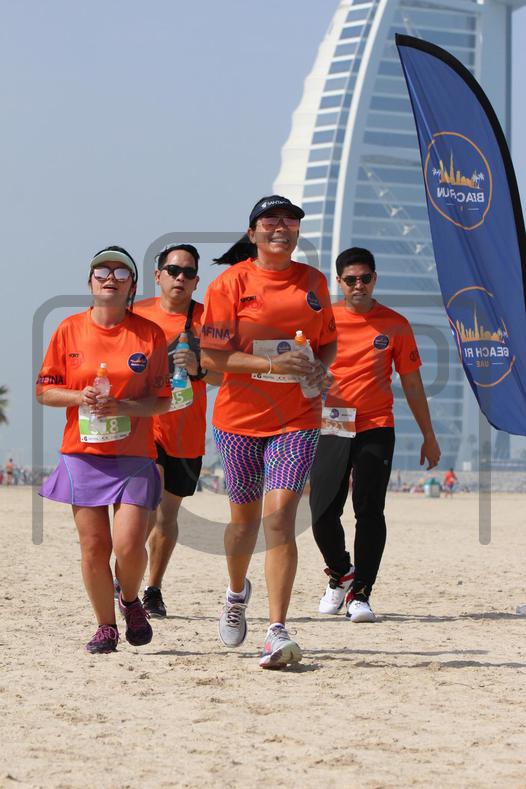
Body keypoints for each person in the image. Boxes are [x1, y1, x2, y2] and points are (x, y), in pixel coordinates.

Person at [200, 195, 337, 669]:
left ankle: (277, 629)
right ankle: (236, 593)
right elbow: (211, 357)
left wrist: (320, 368)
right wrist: (271, 365)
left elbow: (328, 341)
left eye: (290, 220)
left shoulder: (314, 282)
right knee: (243, 523)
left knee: (279, 520)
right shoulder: (230, 284)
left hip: (297, 417)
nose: (282, 227)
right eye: (271, 220)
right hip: (238, 420)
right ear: (253, 232)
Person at [36, 246, 171, 654]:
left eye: (121, 272)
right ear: (90, 281)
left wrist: (123, 406)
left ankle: (130, 600)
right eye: (102, 271)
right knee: (95, 546)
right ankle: (105, 626)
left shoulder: (149, 334)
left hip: (133, 454)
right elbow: (44, 390)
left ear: (132, 286)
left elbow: (162, 400)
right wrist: (79, 397)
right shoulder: (68, 329)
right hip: (83, 454)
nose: (110, 277)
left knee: (129, 545)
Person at [309, 247, 441, 623]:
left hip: (376, 424)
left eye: (365, 278)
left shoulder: (395, 324)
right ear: (339, 282)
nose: (359, 286)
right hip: (332, 423)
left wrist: (428, 435)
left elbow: (412, 383)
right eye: (351, 280)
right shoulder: (323, 320)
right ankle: (340, 572)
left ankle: (361, 593)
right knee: (322, 511)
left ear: (374, 279)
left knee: (369, 511)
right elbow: (302, 368)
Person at [134, 243, 222, 617]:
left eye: (188, 273)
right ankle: (126, 578)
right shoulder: (136, 314)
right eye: (173, 271)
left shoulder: (209, 319)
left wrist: (200, 368)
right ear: (158, 276)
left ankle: (153, 588)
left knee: (167, 516)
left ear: (196, 281)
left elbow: (224, 375)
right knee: (147, 504)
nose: (180, 278)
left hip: (187, 431)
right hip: (145, 427)